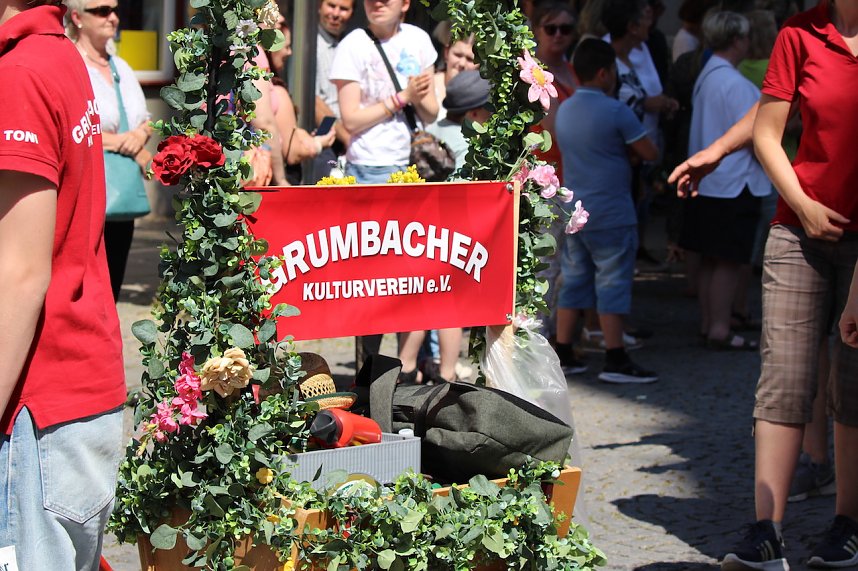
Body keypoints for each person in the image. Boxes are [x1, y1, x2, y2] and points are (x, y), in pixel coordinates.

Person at [717, 0, 858, 567]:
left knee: (853, 382)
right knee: (783, 379)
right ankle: (765, 530)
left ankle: (847, 524)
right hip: (798, 230)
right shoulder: (801, 33)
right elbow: (768, 133)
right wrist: (801, 204)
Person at [0, 1, 126, 570]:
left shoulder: (21, 72)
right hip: (76, 389)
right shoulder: (59, 55)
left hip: (36, 403)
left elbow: (21, 273)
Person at [330, 0, 439, 362]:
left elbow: (431, 112)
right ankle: (369, 372)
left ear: (405, 4)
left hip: (412, 168)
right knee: (370, 281)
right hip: (368, 170)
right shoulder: (352, 45)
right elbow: (350, 119)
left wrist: (419, 97)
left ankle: (406, 371)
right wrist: (402, 97)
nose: (377, 3)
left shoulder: (420, 40)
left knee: (413, 274)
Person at [553, 38, 659, 384]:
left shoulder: (565, 108)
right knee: (612, 283)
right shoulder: (616, 110)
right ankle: (615, 357)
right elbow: (649, 152)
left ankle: (564, 350)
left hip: (574, 210)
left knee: (575, 281)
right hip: (612, 210)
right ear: (604, 73)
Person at [678, 11, 769, 351]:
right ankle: (718, 324)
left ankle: (709, 321)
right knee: (728, 260)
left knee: (711, 258)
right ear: (737, 40)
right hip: (733, 183)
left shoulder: (708, 75)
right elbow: (757, 134)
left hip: (711, 181)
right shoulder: (735, 83)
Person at [66, 0, 151, 302]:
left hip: (120, 193)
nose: (112, 17)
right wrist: (122, 143)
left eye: (114, 10)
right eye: (102, 10)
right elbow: (70, 127)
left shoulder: (121, 67)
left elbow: (145, 121)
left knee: (113, 278)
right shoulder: (69, 63)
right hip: (85, 189)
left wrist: (139, 135)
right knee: (83, 283)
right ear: (77, 17)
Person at [267, 19, 336, 183]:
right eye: (286, 46)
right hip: (280, 182)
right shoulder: (277, 92)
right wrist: (318, 143)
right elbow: (292, 153)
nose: (289, 52)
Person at [313, 0, 355, 181]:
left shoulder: (350, 45)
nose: (336, 13)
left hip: (351, 140)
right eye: (331, 5)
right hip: (324, 140)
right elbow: (313, 102)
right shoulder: (310, 45)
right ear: (319, 6)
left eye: (344, 9)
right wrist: (346, 137)